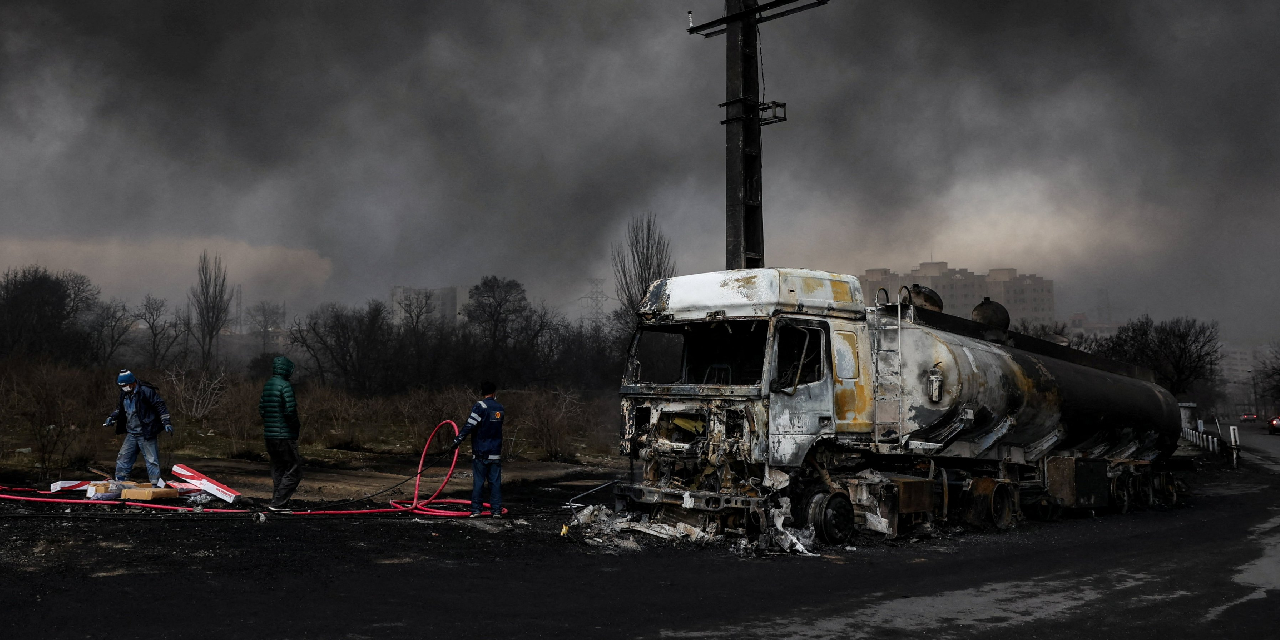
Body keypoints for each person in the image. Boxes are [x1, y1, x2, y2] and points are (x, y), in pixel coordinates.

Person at [104, 369, 172, 486]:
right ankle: (121, 483)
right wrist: (112, 417)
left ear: (131, 383)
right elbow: (120, 409)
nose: (123, 388)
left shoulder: (146, 391)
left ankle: (155, 485)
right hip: (131, 432)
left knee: (152, 461)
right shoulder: (124, 394)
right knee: (123, 458)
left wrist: (166, 422)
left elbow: (160, 405)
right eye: (121, 386)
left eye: (124, 385)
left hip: (146, 432)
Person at [448, 381, 505, 518]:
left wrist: (457, 440)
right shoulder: (500, 408)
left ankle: (476, 510)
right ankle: (496, 511)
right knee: (495, 483)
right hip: (495, 452)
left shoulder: (480, 407)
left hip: (480, 451)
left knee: (479, 482)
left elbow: (470, 425)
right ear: (494, 393)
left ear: (482, 392)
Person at [259, 355, 302, 511]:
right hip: (284, 436)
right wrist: (295, 427)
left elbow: (262, 410)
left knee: (278, 469)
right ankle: (278, 504)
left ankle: (277, 503)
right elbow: (290, 412)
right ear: (287, 369)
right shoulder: (285, 386)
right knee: (294, 470)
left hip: (269, 436)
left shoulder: (268, 385)